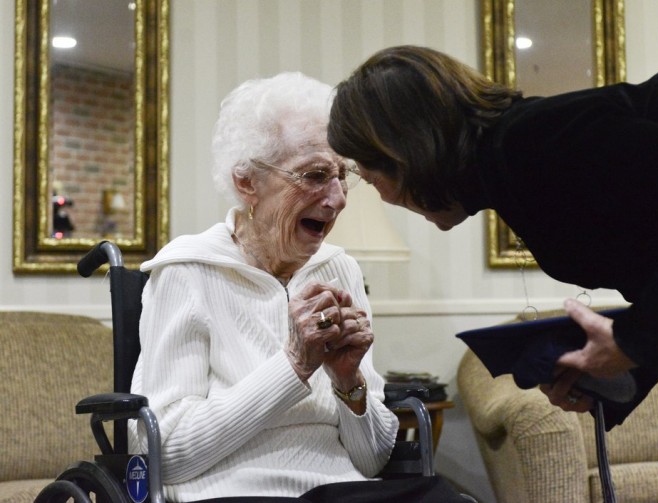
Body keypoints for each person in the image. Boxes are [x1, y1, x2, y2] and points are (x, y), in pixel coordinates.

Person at [327, 45, 658, 429]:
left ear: (404, 154)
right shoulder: (515, 160)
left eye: (368, 176)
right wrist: (621, 377)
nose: (384, 196)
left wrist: (636, 342)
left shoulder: (529, 140)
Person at [129, 72, 467, 502]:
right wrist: (294, 365)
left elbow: (373, 459)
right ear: (246, 182)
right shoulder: (187, 270)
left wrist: (348, 382)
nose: (339, 197)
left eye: (342, 175)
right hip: (238, 494)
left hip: (343, 491)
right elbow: (164, 453)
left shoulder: (338, 268)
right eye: (314, 175)